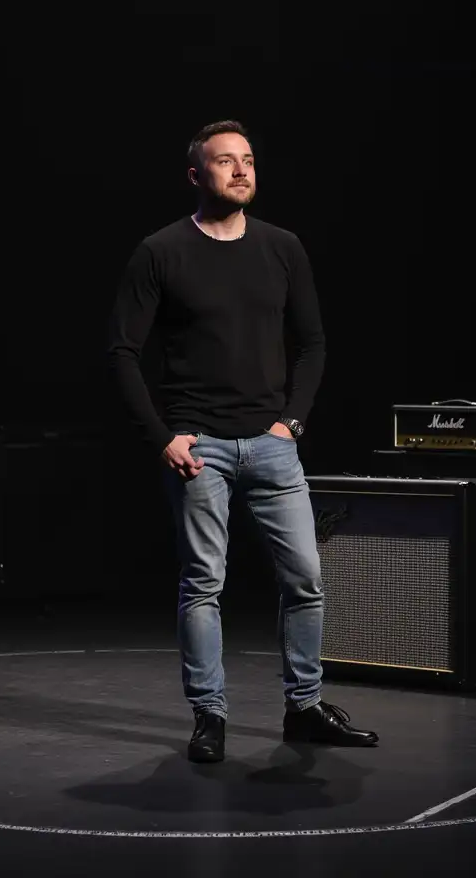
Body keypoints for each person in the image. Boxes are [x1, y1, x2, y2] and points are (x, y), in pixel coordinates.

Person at [105, 119, 378, 763]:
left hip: (273, 443)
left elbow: (312, 343)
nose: (241, 170)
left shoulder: (283, 247)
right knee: (204, 584)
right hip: (199, 446)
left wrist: (292, 423)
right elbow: (121, 352)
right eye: (225, 161)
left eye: (248, 159)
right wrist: (163, 438)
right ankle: (210, 717)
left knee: (306, 580)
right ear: (196, 175)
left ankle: (304, 707)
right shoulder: (160, 251)